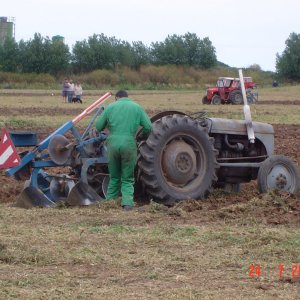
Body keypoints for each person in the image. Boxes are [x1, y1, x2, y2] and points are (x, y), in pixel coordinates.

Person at [96, 90, 152, 210]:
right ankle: (127, 204)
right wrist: (143, 136)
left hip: (113, 145)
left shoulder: (110, 107)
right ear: (127, 97)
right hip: (129, 143)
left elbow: (99, 126)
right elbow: (148, 126)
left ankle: (109, 203)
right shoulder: (136, 107)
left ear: (116, 98)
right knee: (127, 177)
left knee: (114, 176)